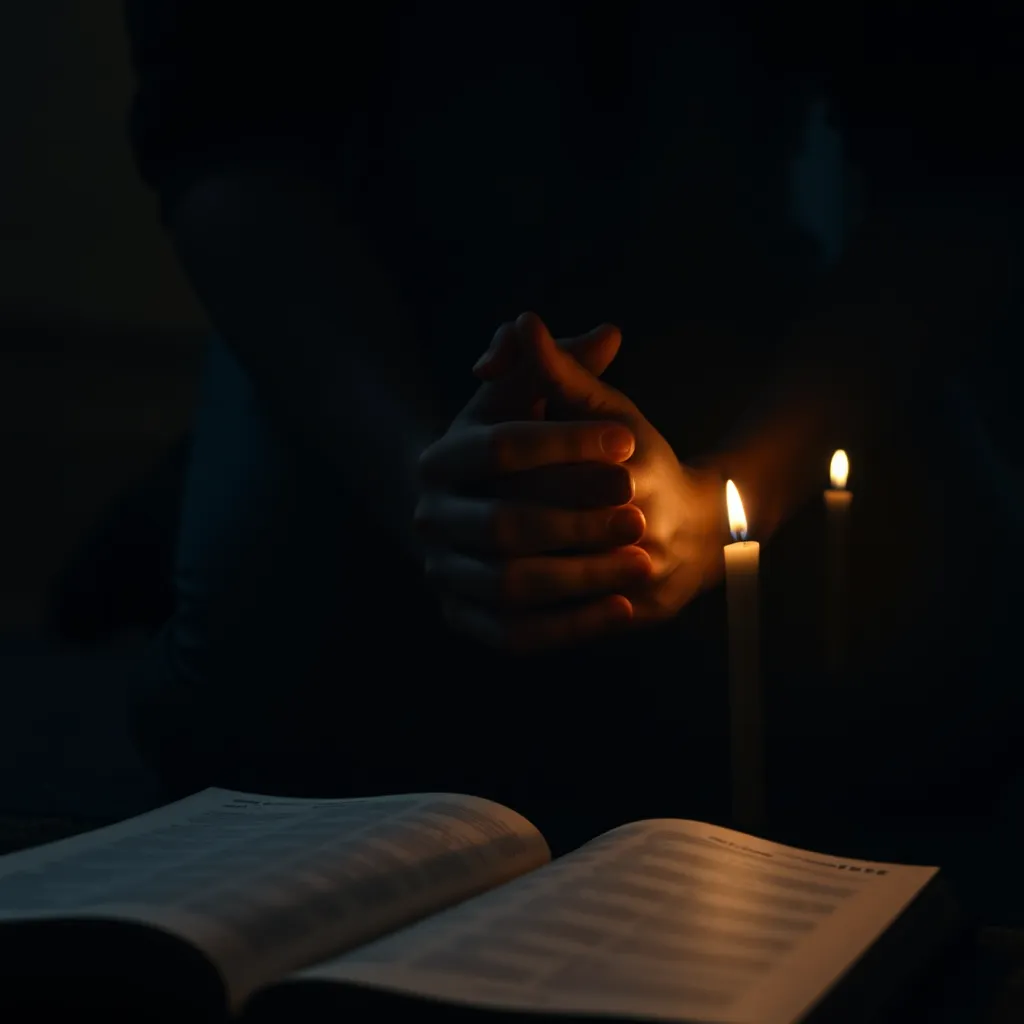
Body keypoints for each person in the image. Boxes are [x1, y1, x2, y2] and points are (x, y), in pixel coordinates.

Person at [125, 1, 1022, 851]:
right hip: (349, 313)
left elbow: (961, 159)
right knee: (254, 733)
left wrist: (728, 494)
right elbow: (223, 137)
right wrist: (415, 472)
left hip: (742, 303)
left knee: (941, 697)